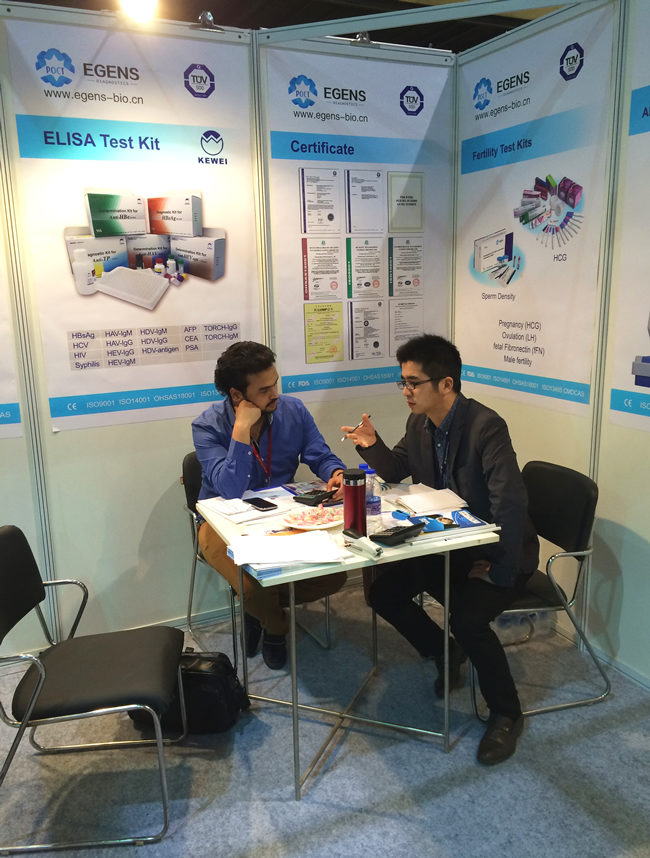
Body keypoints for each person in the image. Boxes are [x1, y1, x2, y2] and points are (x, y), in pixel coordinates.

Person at [341, 334, 539, 765]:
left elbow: (510, 503)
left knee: (467, 620)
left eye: (413, 383)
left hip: (497, 550)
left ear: (446, 384)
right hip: (451, 544)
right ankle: (443, 651)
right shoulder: (420, 423)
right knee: (383, 592)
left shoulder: (486, 426)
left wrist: (499, 569)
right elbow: (397, 469)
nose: (406, 391)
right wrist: (370, 444)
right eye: (403, 382)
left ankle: (507, 713)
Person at [193, 341, 347, 670]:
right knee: (252, 586)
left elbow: (319, 454)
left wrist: (336, 473)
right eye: (264, 390)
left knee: (333, 575)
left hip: (282, 515)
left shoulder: (293, 410)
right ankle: (275, 626)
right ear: (237, 395)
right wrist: (241, 428)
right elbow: (230, 490)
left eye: (275, 383)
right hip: (220, 522)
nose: (275, 393)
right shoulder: (207, 425)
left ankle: (258, 613)